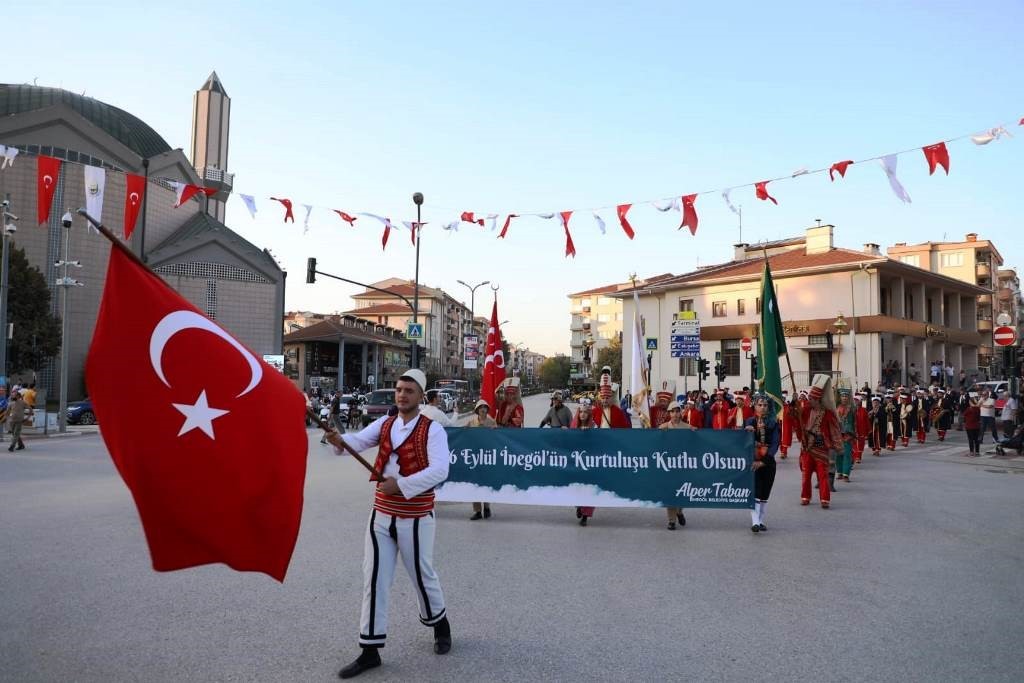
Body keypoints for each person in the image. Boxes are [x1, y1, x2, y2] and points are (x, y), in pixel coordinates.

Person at [325, 369, 452, 678]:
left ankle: (440, 625)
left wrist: (403, 484)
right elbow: (358, 441)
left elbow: (440, 470)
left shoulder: (432, 430)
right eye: (398, 389)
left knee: (422, 576)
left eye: (409, 390)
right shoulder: (386, 423)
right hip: (381, 515)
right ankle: (370, 650)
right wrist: (339, 440)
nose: (401, 395)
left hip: (416, 516)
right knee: (374, 578)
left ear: (421, 396)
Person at [798, 375, 840, 508]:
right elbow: (794, 416)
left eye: (811, 399)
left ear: (818, 400)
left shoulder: (827, 414)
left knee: (823, 476)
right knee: (806, 475)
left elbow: (834, 429)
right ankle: (805, 497)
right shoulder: (805, 410)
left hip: (821, 448)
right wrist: (794, 404)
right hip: (807, 448)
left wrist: (836, 445)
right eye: (809, 398)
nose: (809, 400)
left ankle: (825, 499)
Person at [746, 394, 780, 532]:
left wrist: (765, 461)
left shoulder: (774, 423)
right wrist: (747, 433)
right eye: (760, 405)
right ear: (755, 406)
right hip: (754, 461)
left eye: (765, 405)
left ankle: (760, 521)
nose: (762, 407)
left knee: (765, 493)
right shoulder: (749, 422)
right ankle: (754, 522)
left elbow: (775, 444)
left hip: (768, 462)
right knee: (756, 491)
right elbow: (744, 441)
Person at [658, 401, 693, 530]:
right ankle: (671, 520)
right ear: (669, 413)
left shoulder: (688, 427)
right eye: (672, 412)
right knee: (670, 492)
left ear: (681, 412)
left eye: (677, 411)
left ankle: (679, 511)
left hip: (683, 464)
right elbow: (655, 442)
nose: (675, 414)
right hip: (669, 465)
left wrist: (696, 433)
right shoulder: (663, 427)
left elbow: (696, 442)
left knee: (682, 490)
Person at [467, 400, 496, 520]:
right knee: (475, 484)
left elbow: (497, 439)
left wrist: (495, 431)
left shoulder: (491, 422)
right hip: (475, 457)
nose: (483, 410)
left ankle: (487, 507)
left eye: (485, 407)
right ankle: (477, 511)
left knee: (486, 483)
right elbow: (463, 434)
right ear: (477, 410)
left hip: (487, 457)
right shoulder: (471, 422)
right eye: (481, 408)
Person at [571, 398, 598, 524]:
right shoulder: (574, 425)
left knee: (588, 489)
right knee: (576, 487)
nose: (582, 414)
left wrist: (590, 433)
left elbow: (600, 441)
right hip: (576, 462)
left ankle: (585, 516)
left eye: (585, 412)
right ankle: (579, 506)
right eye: (581, 411)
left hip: (589, 463)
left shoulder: (594, 427)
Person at [835, 390, 855, 482]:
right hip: (838, 434)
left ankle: (846, 474)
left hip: (848, 434)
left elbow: (855, 421)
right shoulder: (836, 407)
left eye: (846, 396)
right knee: (838, 454)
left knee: (847, 454)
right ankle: (839, 472)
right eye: (843, 396)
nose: (844, 398)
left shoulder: (851, 408)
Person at [853, 392, 870, 464]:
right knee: (854, 444)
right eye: (854, 400)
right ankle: (855, 457)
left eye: (857, 400)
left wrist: (868, 430)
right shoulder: (851, 410)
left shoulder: (863, 410)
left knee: (860, 444)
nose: (855, 401)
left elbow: (867, 421)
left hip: (861, 430)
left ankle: (858, 457)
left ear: (860, 401)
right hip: (853, 430)